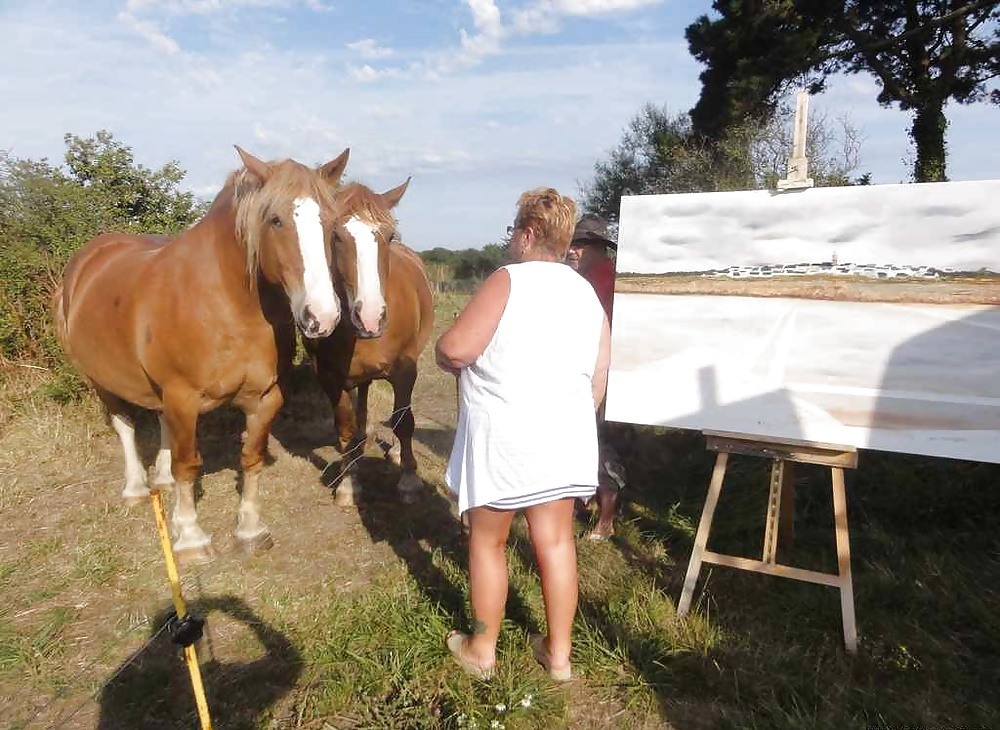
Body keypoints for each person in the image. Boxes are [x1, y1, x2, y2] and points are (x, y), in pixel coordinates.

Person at [436, 188, 611, 681]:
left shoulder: (507, 279)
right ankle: (558, 656)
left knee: (487, 542)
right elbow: (600, 370)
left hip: (505, 439)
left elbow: (457, 348)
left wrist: (442, 353)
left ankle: (482, 649)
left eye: (515, 228)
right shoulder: (585, 292)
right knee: (555, 543)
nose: (512, 237)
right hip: (565, 436)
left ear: (529, 234)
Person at [566, 213, 626, 540]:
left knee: (601, 443)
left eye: (580, 244)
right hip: (589, 371)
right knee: (589, 440)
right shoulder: (589, 279)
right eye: (572, 243)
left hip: (603, 374)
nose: (572, 250)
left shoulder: (605, 280)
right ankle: (585, 502)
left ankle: (606, 521)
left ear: (598, 248)